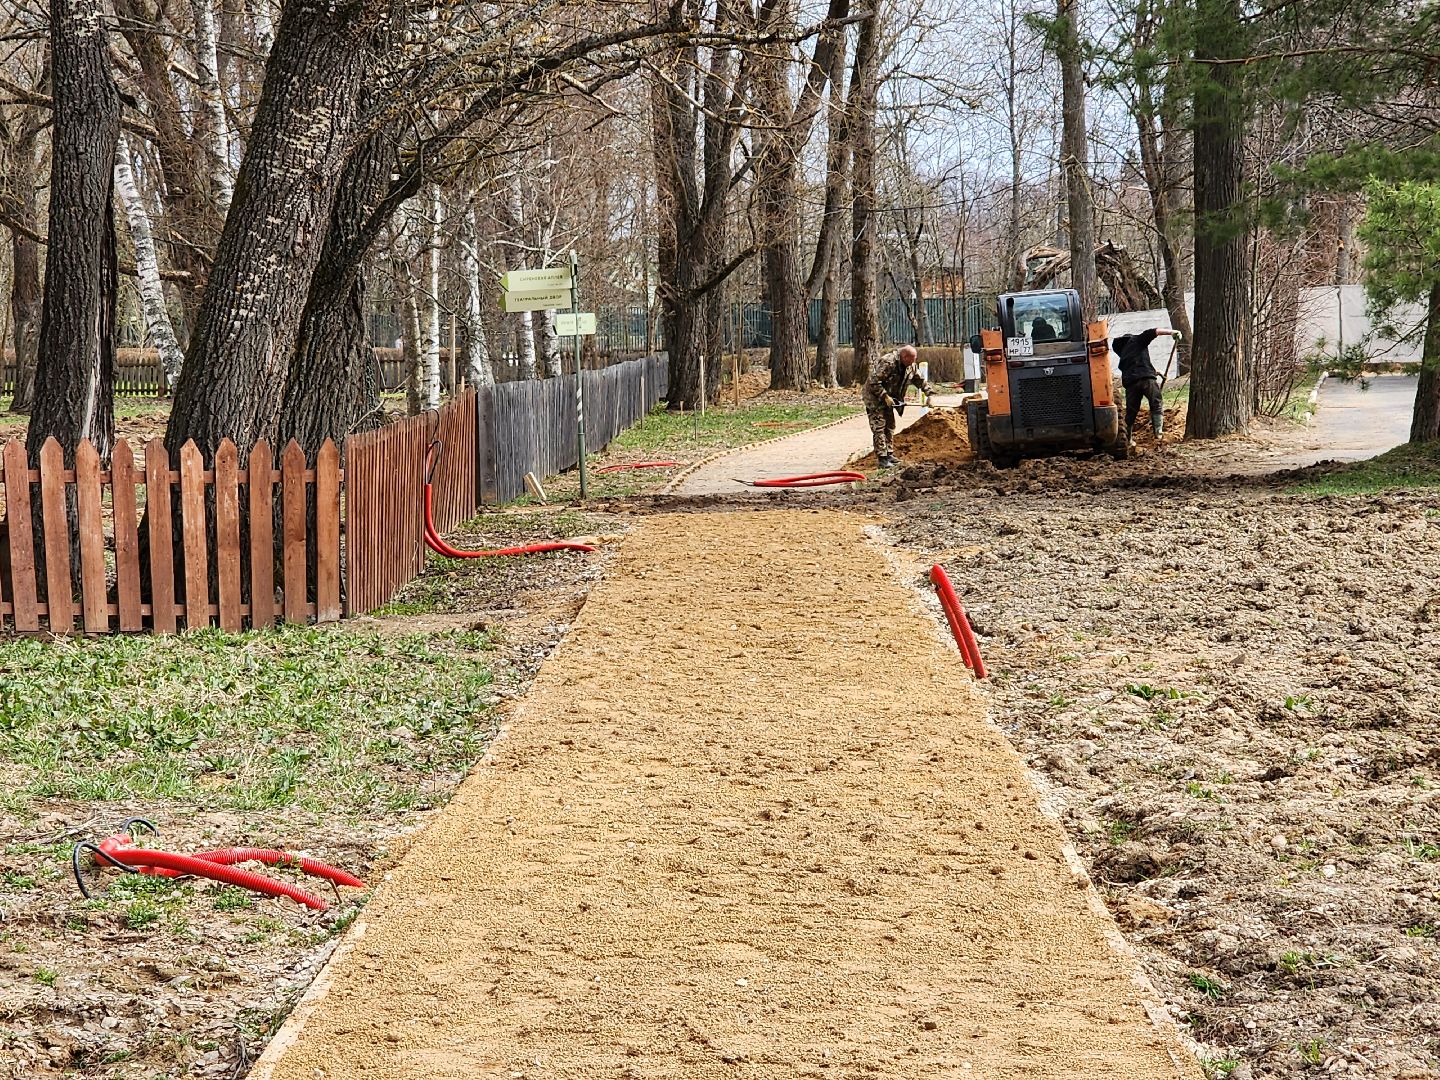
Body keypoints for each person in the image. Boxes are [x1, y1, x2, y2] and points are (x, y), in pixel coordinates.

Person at [863, 344, 934, 468]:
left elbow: (920, 380)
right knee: (879, 427)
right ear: (904, 356)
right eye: (911, 360)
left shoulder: (910, 365)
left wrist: (929, 395)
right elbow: (873, 381)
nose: (913, 363)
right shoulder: (888, 362)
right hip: (875, 399)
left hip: (891, 399)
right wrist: (885, 396)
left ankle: (889, 454)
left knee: (890, 426)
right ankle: (882, 458)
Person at [1113, 326, 1183, 444]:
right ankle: (1158, 434)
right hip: (1146, 380)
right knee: (1156, 403)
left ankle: (1128, 439)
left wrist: (1156, 372)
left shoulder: (1123, 353)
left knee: (1131, 412)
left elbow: (1136, 366)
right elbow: (1155, 331)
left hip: (1131, 384)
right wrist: (1172, 332)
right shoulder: (1137, 340)